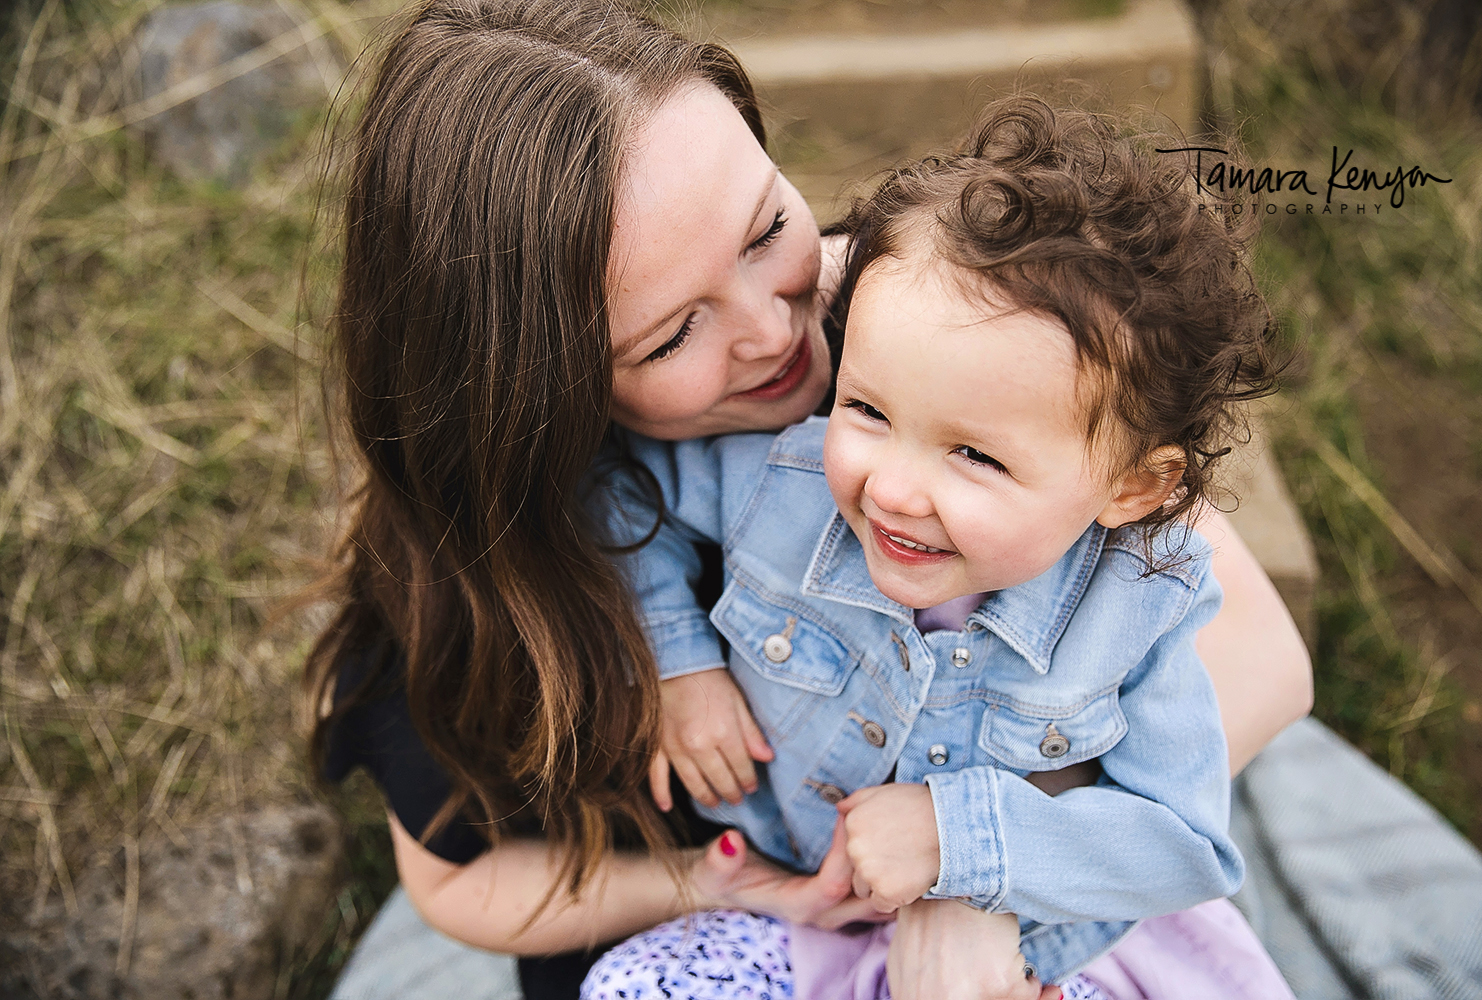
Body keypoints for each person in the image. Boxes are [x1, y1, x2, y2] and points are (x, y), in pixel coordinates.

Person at [308, 1, 1313, 997]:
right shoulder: (482, 564)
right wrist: (710, 882)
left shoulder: (937, 333)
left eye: (765, 229)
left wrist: (974, 880)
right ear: (541, 394)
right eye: (670, 336)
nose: (778, 331)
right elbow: (456, 877)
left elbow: (1260, 656)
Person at [579, 95, 1297, 1000]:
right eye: (869, 410)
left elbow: (1183, 844)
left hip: (1028, 950)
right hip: (813, 920)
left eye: (974, 454)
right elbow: (614, 489)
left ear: (1132, 488)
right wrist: (678, 665)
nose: (893, 488)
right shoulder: (787, 482)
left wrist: (960, 837)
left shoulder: (1140, 604)